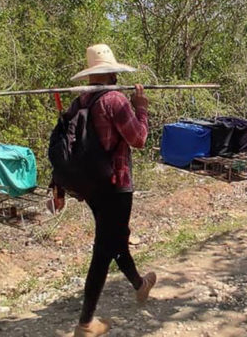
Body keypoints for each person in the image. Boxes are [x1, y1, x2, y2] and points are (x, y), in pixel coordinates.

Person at [54, 43, 157, 337]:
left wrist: (58, 187)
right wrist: (141, 108)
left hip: (91, 186)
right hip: (116, 184)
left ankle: (140, 284)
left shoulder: (80, 102)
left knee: (116, 239)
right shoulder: (115, 100)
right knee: (104, 249)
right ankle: (86, 324)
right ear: (112, 73)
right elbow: (138, 139)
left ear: (90, 75)